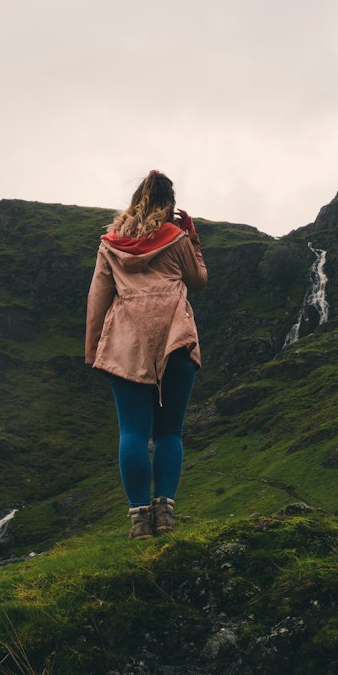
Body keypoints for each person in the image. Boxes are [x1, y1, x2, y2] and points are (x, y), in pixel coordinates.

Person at [85, 169, 208, 539]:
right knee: (169, 431)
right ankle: (165, 513)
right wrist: (193, 239)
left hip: (127, 342)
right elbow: (198, 281)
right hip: (174, 337)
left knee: (132, 432)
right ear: (169, 206)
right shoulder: (177, 239)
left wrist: (93, 349)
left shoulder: (110, 244)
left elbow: (98, 298)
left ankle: (139, 519)